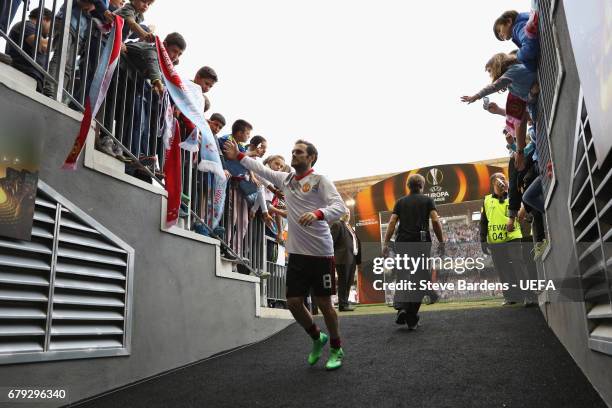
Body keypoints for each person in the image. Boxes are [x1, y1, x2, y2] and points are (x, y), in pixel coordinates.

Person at [223, 138, 347, 370]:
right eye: (293, 151)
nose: (294, 154)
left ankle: (336, 347)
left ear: (311, 157)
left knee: (324, 303)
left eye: (299, 152)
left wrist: (318, 214)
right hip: (297, 254)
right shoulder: (286, 179)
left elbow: (340, 207)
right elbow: (260, 168)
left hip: (321, 253)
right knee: (293, 302)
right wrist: (238, 156)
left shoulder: (320, 181)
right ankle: (316, 337)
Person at [382, 174, 445, 329]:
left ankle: (402, 308)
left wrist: (385, 243)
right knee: (419, 279)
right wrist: (441, 241)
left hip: (402, 244)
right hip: (421, 245)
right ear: (422, 186)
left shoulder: (400, 202)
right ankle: (411, 317)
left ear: (408, 186)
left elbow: (392, 222)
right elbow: (436, 221)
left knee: (403, 275)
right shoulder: (428, 201)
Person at [479, 173, 529, 305]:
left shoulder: (514, 196)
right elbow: (483, 221)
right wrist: (482, 239)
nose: (502, 181)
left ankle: (528, 295)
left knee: (519, 265)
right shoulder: (486, 200)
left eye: (504, 178)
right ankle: (510, 297)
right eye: (499, 179)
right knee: (502, 269)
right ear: (493, 183)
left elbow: (524, 210)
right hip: (495, 241)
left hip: (513, 237)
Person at [4, 6, 53, 92]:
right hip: (25, 75)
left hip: (30, 77)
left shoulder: (32, 28)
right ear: (44, 19)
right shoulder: (27, 25)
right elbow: (43, 46)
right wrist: (59, 41)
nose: (51, 30)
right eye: (51, 25)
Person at [330, 209, 361, 311]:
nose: (347, 214)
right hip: (342, 258)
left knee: (349, 281)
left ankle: (345, 303)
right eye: (345, 212)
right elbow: (331, 242)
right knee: (343, 281)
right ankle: (342, 305)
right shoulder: (337, 224)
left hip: (352, 257)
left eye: (348, 212)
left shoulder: (349, 226)